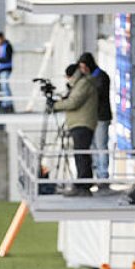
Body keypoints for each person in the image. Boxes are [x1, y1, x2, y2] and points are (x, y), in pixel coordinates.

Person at [51, 64, 97, 197]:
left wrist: (55, 105)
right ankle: (82, 183)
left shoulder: (83, 84)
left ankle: (83, 185)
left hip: (82, 124)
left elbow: (74, 102)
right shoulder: (80, 84)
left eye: (68, 77)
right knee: (79, 154)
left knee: (81, 154)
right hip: (79, 123)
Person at [77, 53, 112, 191]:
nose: (83, 70)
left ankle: (103, 176)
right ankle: (97, 174)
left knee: (101, 146)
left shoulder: (101, 77)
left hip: (101, 117)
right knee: (93, 147)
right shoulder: (89, 78)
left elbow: (97, 95)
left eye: (84, 67)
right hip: (91, 117)